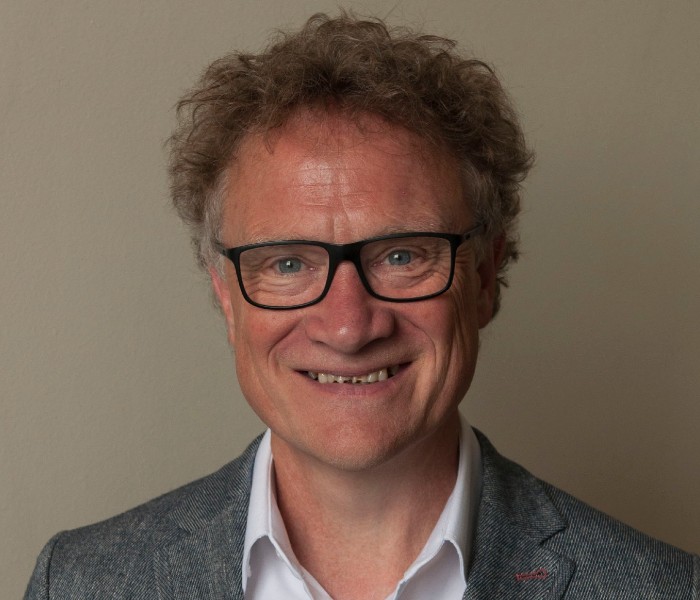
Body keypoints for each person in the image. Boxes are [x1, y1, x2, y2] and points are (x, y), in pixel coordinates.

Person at [25, 12, 698, 600]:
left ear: (486, 275)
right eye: (288, 263)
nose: (349, 326)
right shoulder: (84, 583)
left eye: (402, 256)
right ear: (226, 298)